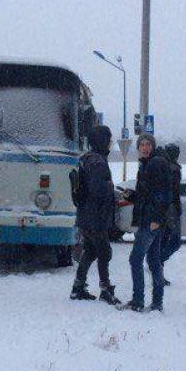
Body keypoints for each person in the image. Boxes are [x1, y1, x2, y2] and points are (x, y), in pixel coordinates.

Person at [71, 125, 119, 303]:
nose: (110, 143)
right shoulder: (98, 163)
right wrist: (110, 189)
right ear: (102, 141)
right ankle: (105, 289)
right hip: (96, 217)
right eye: (109, 139)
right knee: (104, 252)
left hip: (85, 215)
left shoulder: (86, 158)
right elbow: (97, 191)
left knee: (91, 251)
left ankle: (78, 287)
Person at [126, 133, 172, 313]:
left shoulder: (156, 163)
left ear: (153, 146)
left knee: (135, 259)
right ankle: (157, 303)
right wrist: (131, 195)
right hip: (149, 219)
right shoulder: (146, 165)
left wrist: (156, 219)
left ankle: (138, 301)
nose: (145, 147)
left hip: (151, 221)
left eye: (148, 144)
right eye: (142, 145)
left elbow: (163, 195)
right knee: (153, 261)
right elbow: (147, 194)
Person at [159, 143, 184, 281]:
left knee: (163, 240)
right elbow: (173, 192)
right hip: (171, 209)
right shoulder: (173, 169)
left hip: (165, 209)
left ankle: (158, 270)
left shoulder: (166, 167)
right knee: (175, 241)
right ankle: (156, 263)